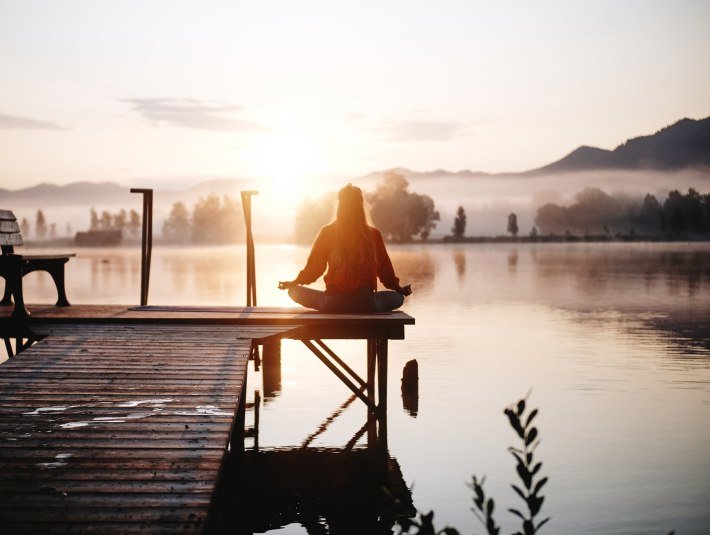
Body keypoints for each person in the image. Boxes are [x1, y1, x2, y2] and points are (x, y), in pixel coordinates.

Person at [278, 183, 412, 312]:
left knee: (294, 291)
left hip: (332, 304)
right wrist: (399, 289)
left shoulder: (327, 232)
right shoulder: (373, 234)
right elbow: (385, 272)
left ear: (340, 205)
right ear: (360, 205)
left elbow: (313, 270)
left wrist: (294, 282)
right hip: (366, 304)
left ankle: (324, 301)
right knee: (398, 298)